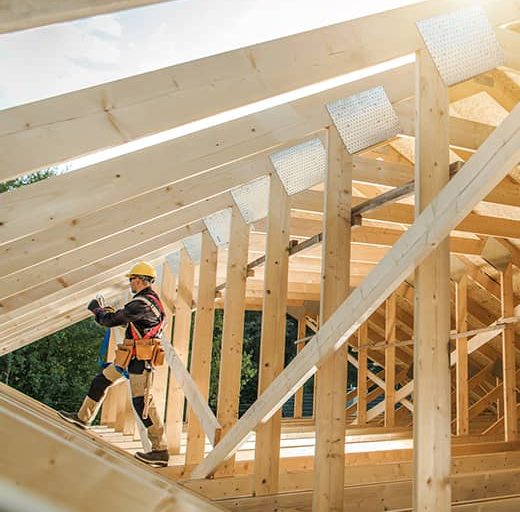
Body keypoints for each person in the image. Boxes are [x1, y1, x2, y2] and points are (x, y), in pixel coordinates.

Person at [59, 261, 170, 468]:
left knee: (142, 404)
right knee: (101, 380)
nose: (130, 284)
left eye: (131, 280)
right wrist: (112, 314)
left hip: (139, 361)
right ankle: (83, 418)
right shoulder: (149, 302)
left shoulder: (142, 303)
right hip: (130, 356)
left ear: (139, 280)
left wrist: (97, 311)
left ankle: (160, 450)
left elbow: (110, 321)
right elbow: (129, 320)